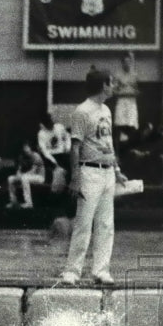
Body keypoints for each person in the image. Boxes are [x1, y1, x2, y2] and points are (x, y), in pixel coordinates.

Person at [60, 69, 128, 286]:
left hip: (107, 172)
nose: (113, 86)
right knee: (83, 223)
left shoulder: (106, 110)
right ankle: (72, 271)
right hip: (89, 172)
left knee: (106, 224)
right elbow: (75, 147)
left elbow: (108, 144)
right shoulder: (82, 112)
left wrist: (117, 170)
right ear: (102, 85)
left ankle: (101, 270)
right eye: (111, 83)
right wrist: (75, 178)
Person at [111, 51, 140, 150]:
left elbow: (137, 91)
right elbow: (113, 91)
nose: (127, 64)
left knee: (132, 127)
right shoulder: (117, 75)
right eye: (125, 62)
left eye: (129, 61)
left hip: (131, 103)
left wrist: (133, 91)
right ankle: (118, 155)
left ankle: (131, 153)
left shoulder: (135, 75)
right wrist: (121, 89)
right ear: (122, 63)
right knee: (118, 128)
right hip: (121, 102)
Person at [7, 141, 46, 209]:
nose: (25, 149)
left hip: (39, 177)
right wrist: (18, 175)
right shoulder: (21, 157)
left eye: (27, 147)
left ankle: (28, 203)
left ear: (30, 148)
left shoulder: (36, 156)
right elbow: (19, 169)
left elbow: (33, 171)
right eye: (24, 148)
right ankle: (13, 201)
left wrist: (21, 176)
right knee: (10, 178)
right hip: (26, 176)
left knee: (25, 178)